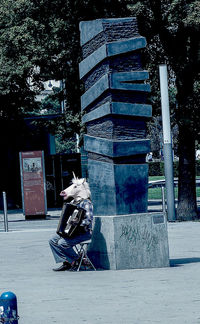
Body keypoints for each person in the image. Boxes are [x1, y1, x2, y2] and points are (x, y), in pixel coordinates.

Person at [49, 176, 93, 271]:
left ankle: (77, 259)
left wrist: (78, 223)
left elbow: (89, 219)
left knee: (62, 243)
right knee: (52, 240)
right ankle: (67, 262)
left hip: (83, 233)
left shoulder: (86, 203)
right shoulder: (73, 202)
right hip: (72, 232)